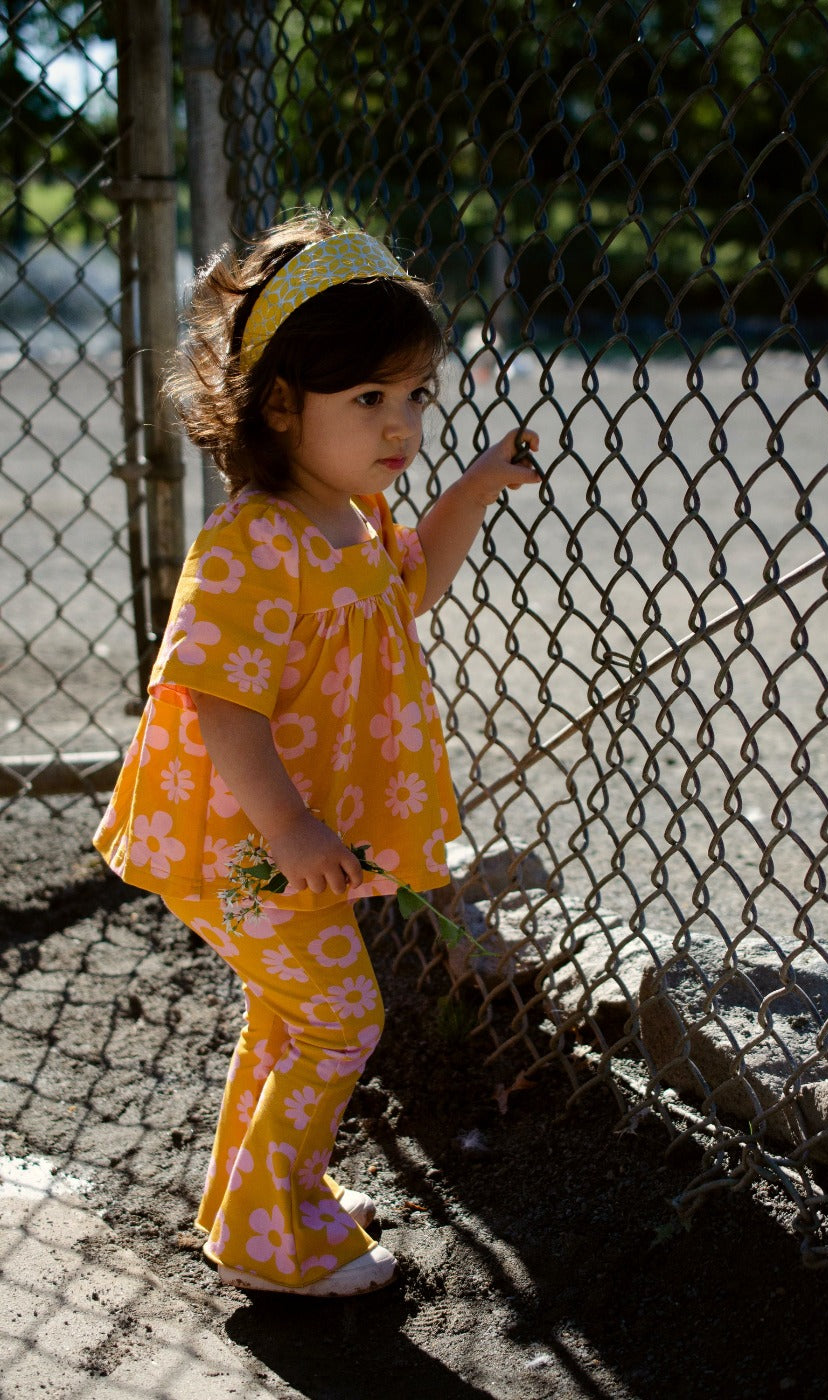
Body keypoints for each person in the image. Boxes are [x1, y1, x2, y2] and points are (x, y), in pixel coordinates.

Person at [93, 210, 541, 1298]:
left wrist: (474, 487)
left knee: (297, 1013)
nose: (403, 424)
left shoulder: (355, 515)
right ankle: (267, 1234)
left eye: (417, 394)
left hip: (284, 836)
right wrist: (292, 826)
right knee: (342, 1016)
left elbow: (413, 585)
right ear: (281, 403)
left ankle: (258, 1200)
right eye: (370, 400)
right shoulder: (253, 541)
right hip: (245, 837)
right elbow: (216, 701)